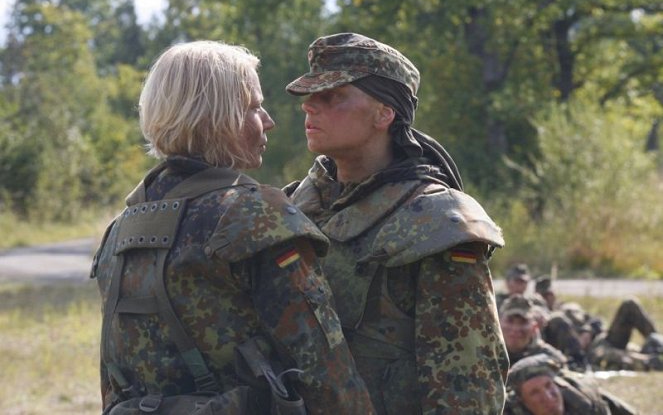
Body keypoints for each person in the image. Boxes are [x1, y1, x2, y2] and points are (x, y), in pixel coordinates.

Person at [91, 41, 374, 414]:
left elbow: (115, 378)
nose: (268, 120)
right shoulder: (255, 216)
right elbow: (326, 375)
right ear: (218, 116)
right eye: (254, 107)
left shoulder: (121, 229)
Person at [283, 32, 508, 414]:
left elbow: (468, 386)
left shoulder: (436, 223)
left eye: (332, 96)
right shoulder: (292, 209)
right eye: (310, 96)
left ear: (384, 114)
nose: (310, 107)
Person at [535, 276, 663, 372]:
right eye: (544, 295)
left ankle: (658, 344)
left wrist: (588, 331)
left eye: (550, 293)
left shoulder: (568, 307)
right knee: (621, 358)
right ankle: (652, 362)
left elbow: (597, 321)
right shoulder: (544, 320)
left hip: (603, 338)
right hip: (590, 353)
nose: (549, 297)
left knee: (629, 304)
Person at [504, 354, 637, 415]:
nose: (548, 398)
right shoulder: (507, 409)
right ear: (522, 400)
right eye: (534, 393)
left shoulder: (585, 400)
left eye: (548, 385)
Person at [499, 294, 567, 366]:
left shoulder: (549, 357)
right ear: (498, 324)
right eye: (510, 321)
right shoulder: (489, 354)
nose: (515, 328)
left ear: (534, 327)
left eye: (523, 322)